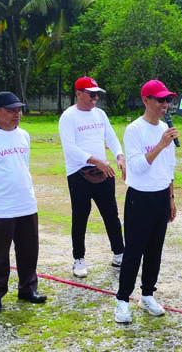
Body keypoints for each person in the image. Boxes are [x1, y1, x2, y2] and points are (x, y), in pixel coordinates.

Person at [0, 91, 47, 313]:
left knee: (29, 250)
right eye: (11, 110)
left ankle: (27, 289)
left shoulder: (24, 135)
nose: (17, 114)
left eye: (19, 110)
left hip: (26, 203)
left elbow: (24, 165)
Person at [114, 80, 178, 323]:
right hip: (140, 197)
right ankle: (122, 300)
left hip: (161, 195)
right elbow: (137, 167)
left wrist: (171, 198)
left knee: (155, 250)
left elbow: (169, 167)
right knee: (134, 251)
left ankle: (148, 294)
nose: (165, 104)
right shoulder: (135, 130)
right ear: (146, 100)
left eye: (168, 100)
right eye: (160, 99)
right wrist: (161, 144)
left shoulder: (165, 127)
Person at [59, 77, 125, 278]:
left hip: (102, 170)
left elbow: (111, 137)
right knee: (80, 216)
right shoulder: (68, 117)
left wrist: (119, 156)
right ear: (79, 93)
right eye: (91, 93)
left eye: (97, 94)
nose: (95, 97)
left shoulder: (100, 114)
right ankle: (78, 259)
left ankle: (119, 253)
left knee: (111, 214)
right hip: (79, 173)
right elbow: (70, 148)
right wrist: (95, 161)